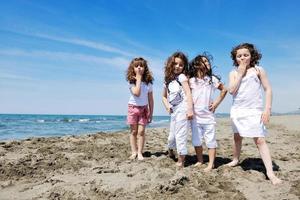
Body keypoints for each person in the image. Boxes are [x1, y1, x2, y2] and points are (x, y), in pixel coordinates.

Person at [226, 43, 282, 185]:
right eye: (239, 56)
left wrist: (267, 109)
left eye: (246, 55)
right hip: (238, 110)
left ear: (252, 56)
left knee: (260, 140)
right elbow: (231, 90)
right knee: (237, 136)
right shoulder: (233, 73)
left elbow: (268, 89)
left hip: (254, 110)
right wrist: (240, 72)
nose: (243, 57)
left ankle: (270, 172)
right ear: (235, 58)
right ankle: (235, 159)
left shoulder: (258, 70)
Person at [189, 53, 227, 172]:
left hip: (208, 116)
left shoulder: (211, 79)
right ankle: (200, 160)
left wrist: (216, 103)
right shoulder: (191, 81)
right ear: (196, 65)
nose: (207, 63)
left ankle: (211, 164)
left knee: (210, 140)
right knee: (197, 140)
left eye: (208, 61)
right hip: (195, 117)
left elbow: (224, 90)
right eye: (204, 61)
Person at [162, 51, 193, 167]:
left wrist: (189, 109)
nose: (177, 67)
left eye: (181, 65)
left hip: (183, 109)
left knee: (180, 135)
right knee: (171, 137)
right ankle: (170, 151)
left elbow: (188, 93)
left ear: (184, 66)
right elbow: (163, 96)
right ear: (170, 64)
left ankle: (181, 160)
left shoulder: (182, 77)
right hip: (174, 111)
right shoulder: (167, 80)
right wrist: (167, 106)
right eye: (175, 64)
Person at [126, 57, 154, 161]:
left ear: (145, 68)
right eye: (136, 66)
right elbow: (137, 93)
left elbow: (151, 99)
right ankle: (134, 152)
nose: (139, 68)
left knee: (141, 132)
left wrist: (151, 113)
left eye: (141, 66)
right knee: (133, 131)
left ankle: (140, 152)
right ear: (132, 68)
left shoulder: (148, 83)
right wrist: (138, 79)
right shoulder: (131, 81)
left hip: (144, 109)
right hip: (132, 108)